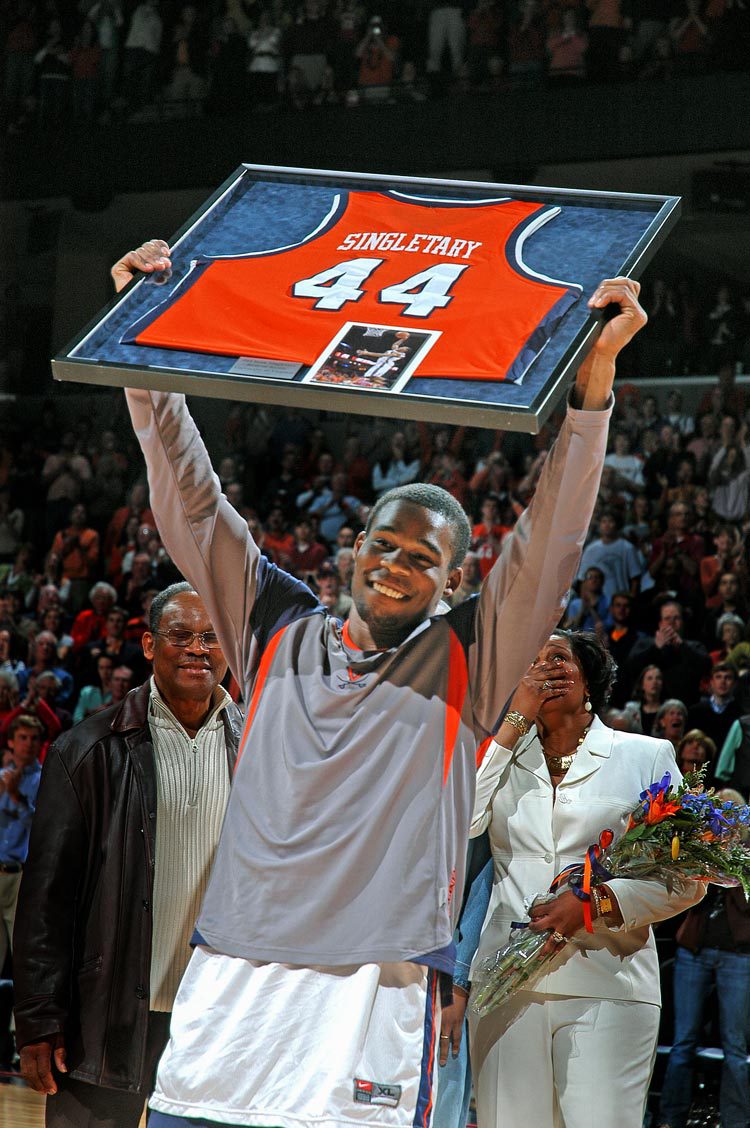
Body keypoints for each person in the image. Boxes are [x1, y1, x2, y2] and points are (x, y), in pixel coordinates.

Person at [116, 240, 645, 1128]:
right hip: (234, 973)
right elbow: (190, 499)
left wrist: (592, 388)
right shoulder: (275, 624)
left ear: (453, 583)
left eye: (424, 559)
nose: (397, 565)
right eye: (385, 545)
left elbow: (549, 539)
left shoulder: (469, 659)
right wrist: (138, 342)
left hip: (373, 988)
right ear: (352, 551)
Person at [13, 583, 243, 1127]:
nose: (197, 649)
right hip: (105, 1017)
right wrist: (40, 1020)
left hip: (216, 1021)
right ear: (147, 645)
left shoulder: (258, 747)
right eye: (181, 635)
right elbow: (46, 897)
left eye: (212, 638)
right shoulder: (87, 749)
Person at [468, 630, 706, 1128]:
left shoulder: (646, 755)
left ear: (590, 680)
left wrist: (597, 905)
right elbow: (459, 822)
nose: (543, 669)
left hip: (608, 979)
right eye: (530, 662)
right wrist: (512, 725)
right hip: (507, 983)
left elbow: (687, 876)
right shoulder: (499, 756)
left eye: (557, 658)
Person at [656, 789, 750, 1128]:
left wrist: (732, 865)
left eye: (726, 817)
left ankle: (737, 1122)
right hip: (694, 952)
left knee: (735, 1048)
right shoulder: (698, 849)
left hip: (737, 956)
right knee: (683, 1043)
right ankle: (670, 1118)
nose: (719, 824)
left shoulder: (746, 855)